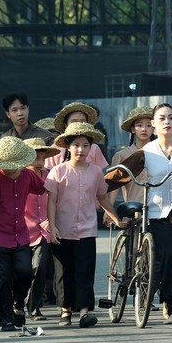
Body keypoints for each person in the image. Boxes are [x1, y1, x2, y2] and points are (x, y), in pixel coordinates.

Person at [105, 104, 172, 325]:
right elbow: (123, 172)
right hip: (156, 213)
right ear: (154, 124)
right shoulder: (147, 151)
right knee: (168, 257)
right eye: (161, 118)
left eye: (171, 118)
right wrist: (101, 182)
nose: (167, 122)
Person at [46, 122, 125, 328]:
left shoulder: (96, 173)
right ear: (68, 147)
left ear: (91, 148)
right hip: (62, 229)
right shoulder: (57, 171)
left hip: (87, 230)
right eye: (76, 145)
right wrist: (52, 226)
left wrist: (116, 218)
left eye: (85, 145)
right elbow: (51, 201)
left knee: (85, 270)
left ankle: (84, 311)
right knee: (63, 271)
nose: (80, 150)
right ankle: (65, 310)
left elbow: (103, 198)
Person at [0, 137, 47, 331]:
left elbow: (43, 190)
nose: (9, 170)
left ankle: (18, 303)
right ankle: (6, 319)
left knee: (25, 272)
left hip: (20, 235)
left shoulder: (28, 175)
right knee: (2, 278)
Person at [23, 137, 59, 321]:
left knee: (39, 268)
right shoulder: (19, 176)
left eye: (42, 158)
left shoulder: (50, 175)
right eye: (35, 158)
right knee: (22, 270)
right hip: (21, 230)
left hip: (43, 231)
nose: (39, 162)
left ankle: (34, 306)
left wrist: (50, 222)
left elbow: (55, 201)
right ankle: (18, 302)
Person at [109, 105, 154, 203]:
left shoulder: (161, 154)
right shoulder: (121, 156)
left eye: (148, 125)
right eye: (139, 125)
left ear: (154, 128)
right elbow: (114, 186)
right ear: (133, 129)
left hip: (157, 213)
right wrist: (109, 211)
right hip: (131, 212)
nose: (144, 129)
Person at [47, 102, 108, 169]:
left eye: (82, 121)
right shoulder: (55, 149)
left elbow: (99, 175)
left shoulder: (94, 148)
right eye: (74, 121)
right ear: (65, 124)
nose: (78, 124)